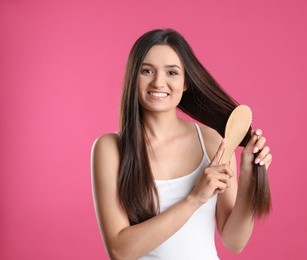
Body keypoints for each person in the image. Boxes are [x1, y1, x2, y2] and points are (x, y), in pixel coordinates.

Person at [91, 28, 272, 260]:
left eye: (172, 72)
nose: (159, 82)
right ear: (133, 77)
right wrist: (195, 198)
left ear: (186, 82)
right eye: (147, 70)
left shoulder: (212, 142)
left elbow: (234, 242)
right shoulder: (110, 148)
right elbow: (119, 251)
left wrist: (248, 177)